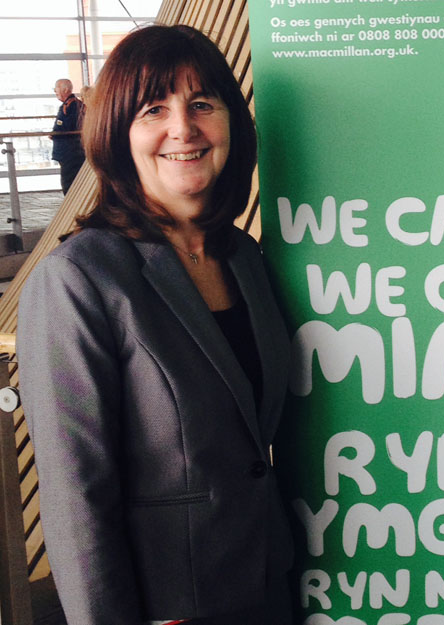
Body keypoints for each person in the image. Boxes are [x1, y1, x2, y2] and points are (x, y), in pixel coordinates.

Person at [17, 25, 293, 625]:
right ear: (118, 135)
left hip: (268, 591)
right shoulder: (78, 279)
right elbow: (74, 498)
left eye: (201, 104)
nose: (183, 129)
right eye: (153, 109)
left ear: (230, 126)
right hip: (164, 609)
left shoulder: (245, 259)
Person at [51, 78, 85, 194]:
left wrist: (56, 134)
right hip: (68, 152)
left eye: (57, 88)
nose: (55, 91)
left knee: (69, 184)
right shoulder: (68, 105)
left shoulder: (72, 105)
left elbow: (69, 126)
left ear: (65, 89)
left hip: (70, 152)